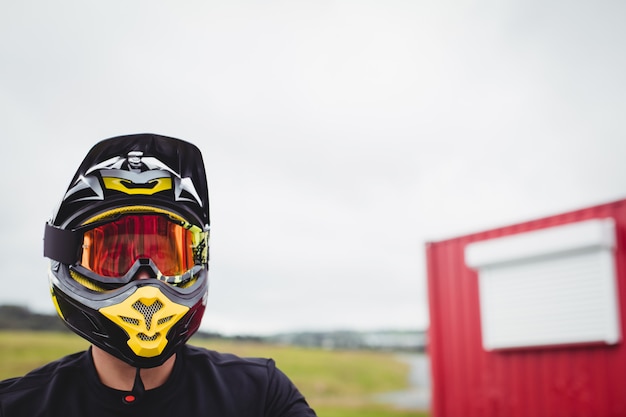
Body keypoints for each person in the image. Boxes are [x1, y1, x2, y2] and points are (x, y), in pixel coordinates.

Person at [0, 133, 317, 417]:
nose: (145, 280)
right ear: (69, 263)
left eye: (167, 257)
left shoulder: (260, 393)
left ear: (197, 260)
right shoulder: (17, 406)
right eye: (114, 258)